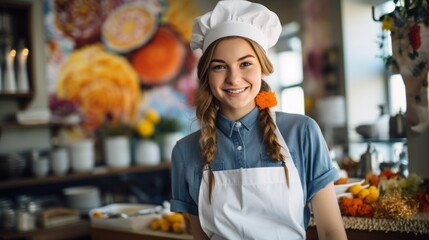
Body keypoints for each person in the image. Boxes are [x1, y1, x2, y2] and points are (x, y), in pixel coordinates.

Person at [170, 1, 347, 239]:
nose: (234, 78)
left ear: (262, 68)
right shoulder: (185, 151)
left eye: (245, 64)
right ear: (206, 76)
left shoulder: (303, 132)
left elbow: (331, 230)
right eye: (220, 66)